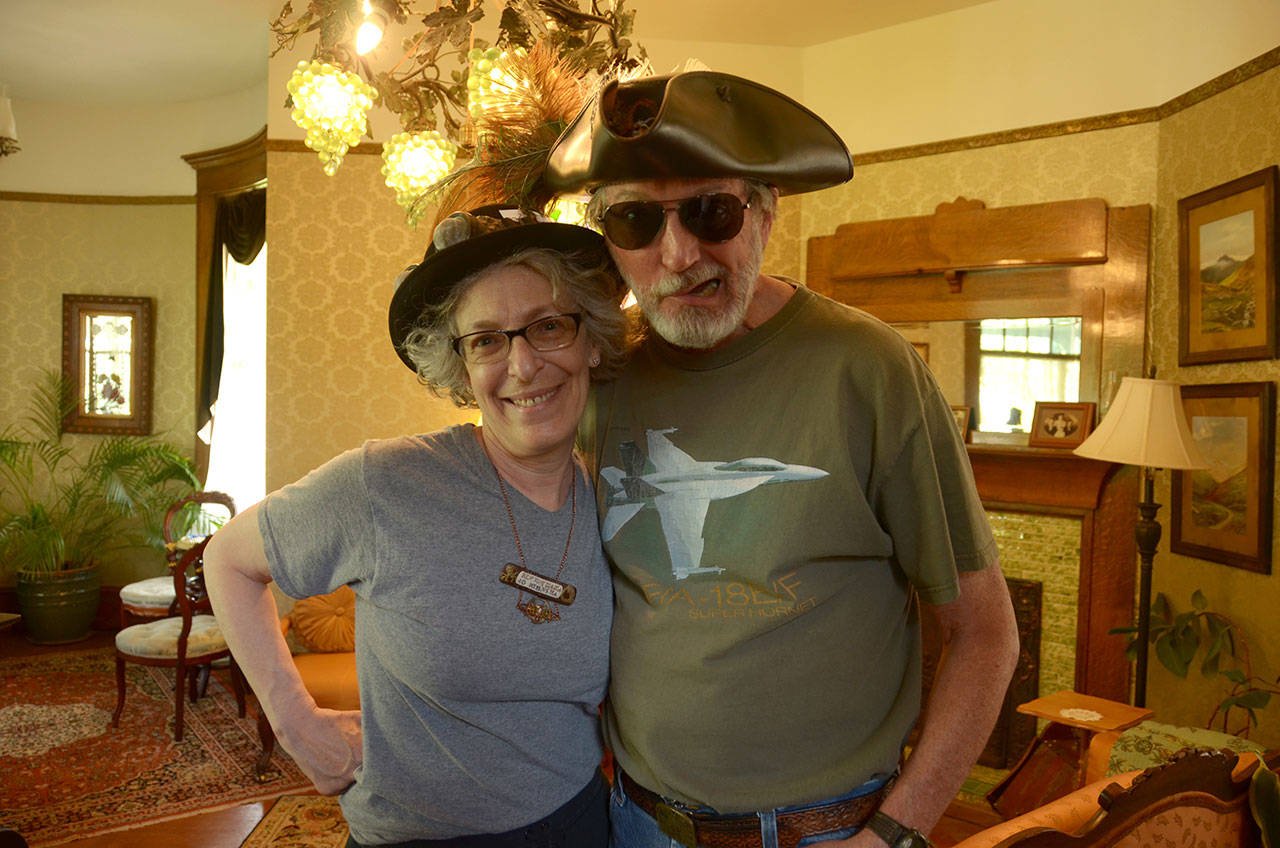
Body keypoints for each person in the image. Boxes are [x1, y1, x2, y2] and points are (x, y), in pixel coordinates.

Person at [543, 71, 1022, 848]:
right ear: (607, 240)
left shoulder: (870, 369)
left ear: (765, 213)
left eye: (712, 211)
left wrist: (896, 835)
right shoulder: (601, 377)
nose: (678, 254)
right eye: (635, 220)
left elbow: (985, 634)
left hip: (829, 833)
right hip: (636, 823)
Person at [204, 205, 631, 847]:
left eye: (548, 326)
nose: (521, 365)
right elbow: (227, 560)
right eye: (486, 339)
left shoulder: (617, 498)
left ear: (591, 338)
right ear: (461, 366)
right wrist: (295, 721)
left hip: (579, 826)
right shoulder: (387, 483)